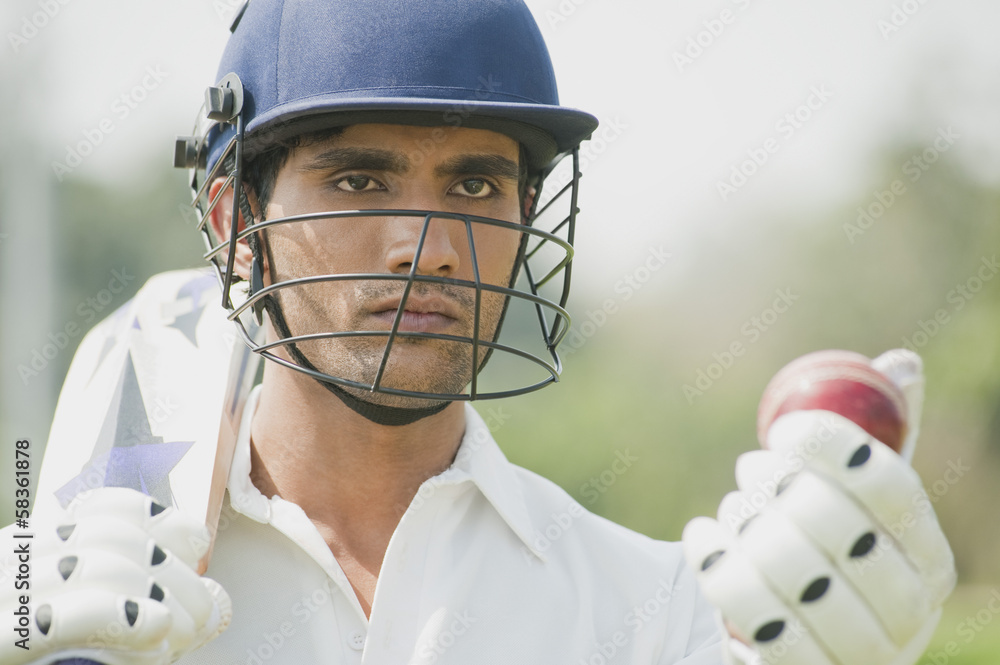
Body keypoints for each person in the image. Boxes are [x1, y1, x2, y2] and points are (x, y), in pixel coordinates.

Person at [1, 1, 955, 663]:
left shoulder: (661, 611)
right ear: (230, 222)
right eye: (359, 179)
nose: (430, 247)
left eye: (474, 184)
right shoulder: (86, 580)